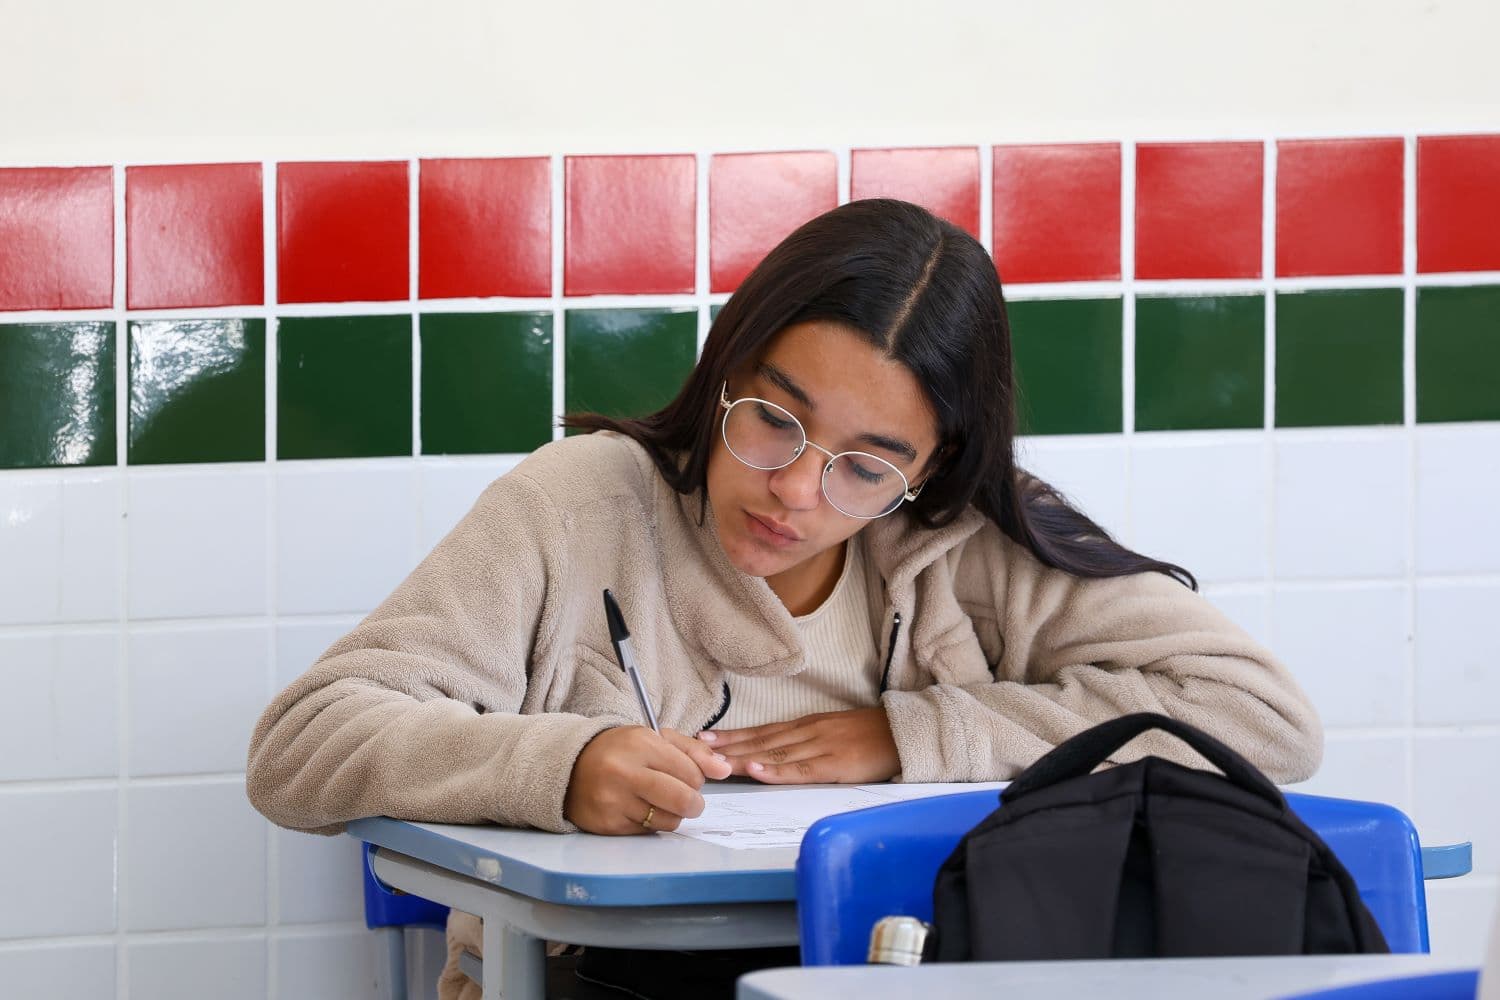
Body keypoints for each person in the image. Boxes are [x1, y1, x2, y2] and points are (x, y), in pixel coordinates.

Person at [246, 198, 1322, 999]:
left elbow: (1261, 718)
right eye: (776, 418)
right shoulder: (581, 504)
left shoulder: (966, 532)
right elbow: (302, 743)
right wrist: (558, 766)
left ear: (933, 468)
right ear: (728, 367)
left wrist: (912, 734)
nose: (796, 489)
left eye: (867, 465)